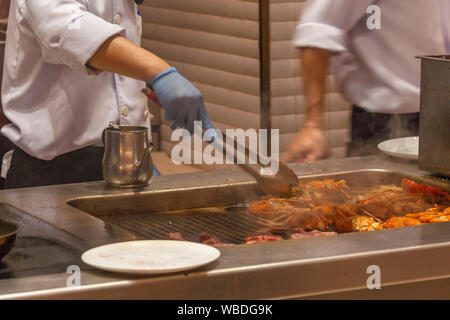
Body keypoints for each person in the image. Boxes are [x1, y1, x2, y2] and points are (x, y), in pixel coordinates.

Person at [1, 0, 214, 189]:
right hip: (49, 177)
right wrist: (160, 73)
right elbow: (68, 29)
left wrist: (140, 159)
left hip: (123, 168)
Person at [281, 0, 448, 163]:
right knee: (383, 190)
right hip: (384, 122)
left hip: (442, 118)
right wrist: (312, 125)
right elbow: (317, 31)